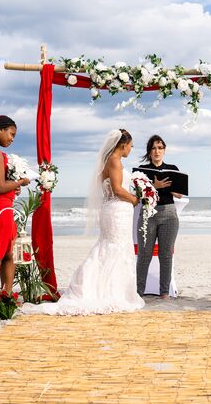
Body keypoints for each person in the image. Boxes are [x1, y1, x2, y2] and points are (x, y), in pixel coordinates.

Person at [22, 129, 145, 315]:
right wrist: (135, 199)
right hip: (117, 211)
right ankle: (109, 292)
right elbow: (118, 189)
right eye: (131, 146)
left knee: (109, 247)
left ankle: (108, 289)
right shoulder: (114, 160)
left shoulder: (108, 161)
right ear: (123, 144)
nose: (131, 149)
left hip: (114, 210)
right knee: (115, 248)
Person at [136, 135, 182, 299]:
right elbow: (138, 195)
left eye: (160, 148)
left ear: (164, 150)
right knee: (144, 254)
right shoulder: (141, 170)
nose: (157, 151)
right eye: (154, 148)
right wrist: (154, 186)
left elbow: (180, 194)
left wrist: (166, 188)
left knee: (166, 254)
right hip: (148, 213)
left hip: (168, 214)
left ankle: (164, 292)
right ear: (149, 151)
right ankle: (138, 292)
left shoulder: (173, 168)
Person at [0, 115, 30, 291]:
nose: (12, 139)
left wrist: (12, 186)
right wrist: (20, 182)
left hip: (3, 207)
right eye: (11, 134)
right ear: (0, 129)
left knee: (8, 253)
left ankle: (5, 296)